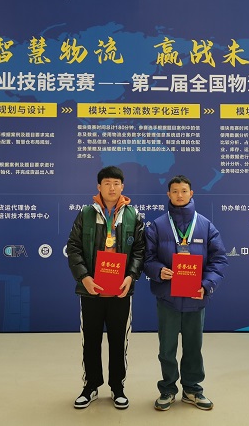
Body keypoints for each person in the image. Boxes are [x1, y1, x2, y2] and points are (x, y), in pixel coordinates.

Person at [144, 175, 228, 412]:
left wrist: (207, 285)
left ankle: (192, 390)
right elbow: (147, 259)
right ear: (168, 195)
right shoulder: (157, 226)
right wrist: (159, 271)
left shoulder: (206, 225)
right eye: (175, 191)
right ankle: (168, 390)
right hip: (167, 298)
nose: (179, 195)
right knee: (167, 349)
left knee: (193, 348)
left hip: (195, 298)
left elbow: (219, 260)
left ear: (191, 194)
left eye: (183, 191)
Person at [66, 166, 146, 410]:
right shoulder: (86, 214)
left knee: (118, 341)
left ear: (123, 187)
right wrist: (85, 278)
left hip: (120, 291)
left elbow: (140, 250)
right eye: (107, 183)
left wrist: (131, 277)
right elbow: (73, 248)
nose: (112, 188)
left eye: (116, 183)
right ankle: (90, 386)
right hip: (92, 290)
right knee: (90, 340)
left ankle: (117, 388)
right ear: (99, 187)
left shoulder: (133, 215)